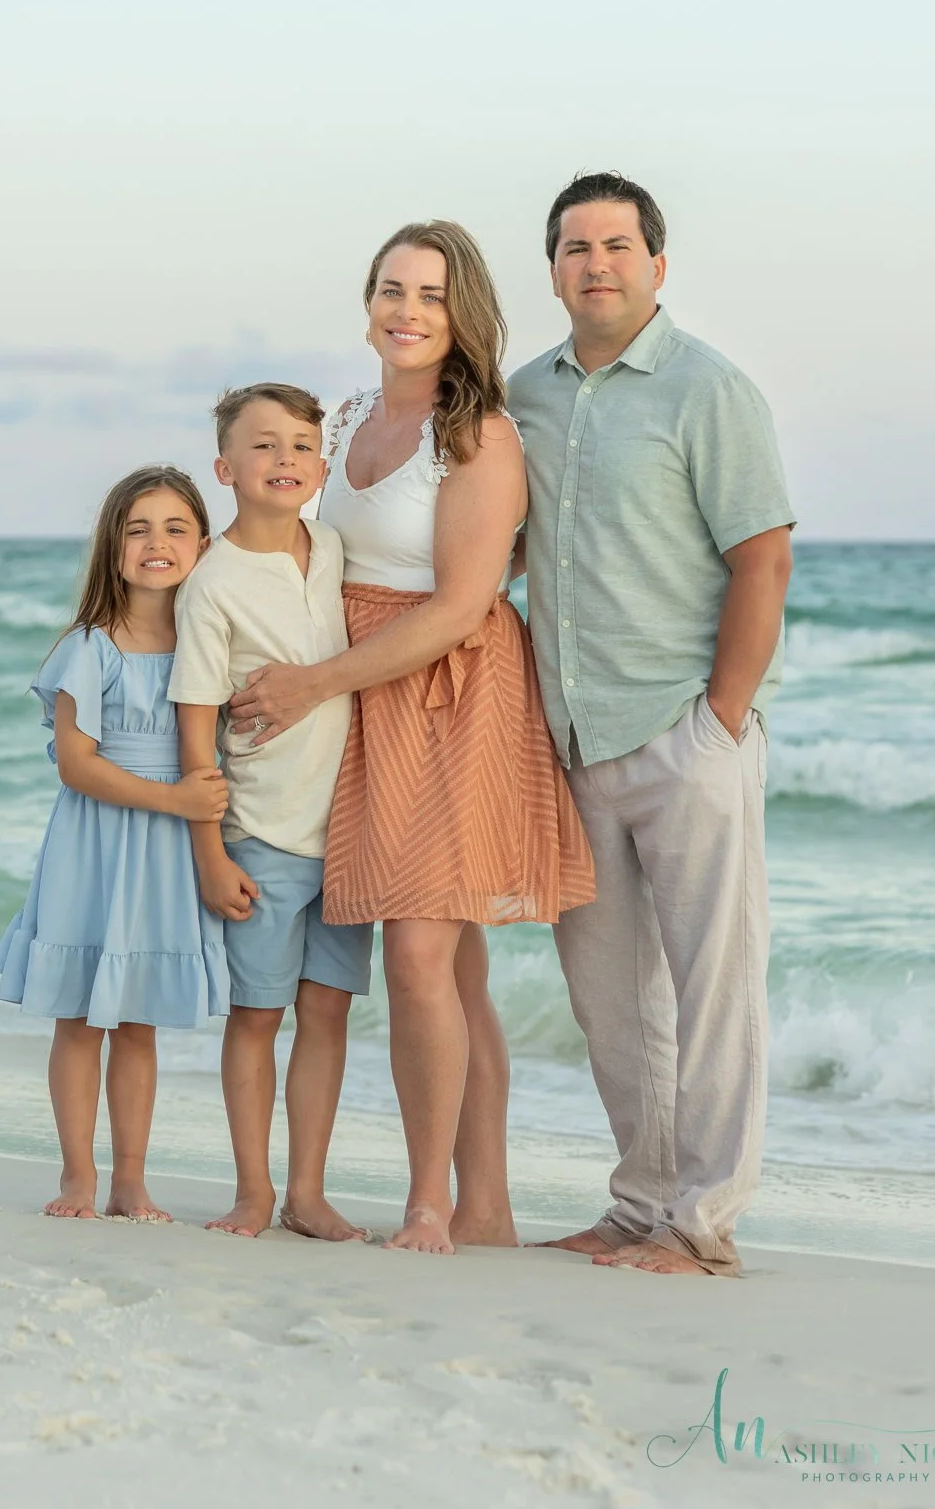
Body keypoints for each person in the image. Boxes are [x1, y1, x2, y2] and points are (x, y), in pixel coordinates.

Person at [227, 222, 594, 1255]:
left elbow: (459, 604)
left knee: (421, 950)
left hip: (446, 691)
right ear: (368, 301)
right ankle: (487, 1204)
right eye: (391, 288)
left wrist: (310, 681)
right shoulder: (337, 423)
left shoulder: (477, 434)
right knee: (454, 965)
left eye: (430, 294)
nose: (406, 309)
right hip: (351, 692)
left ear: (461, 312)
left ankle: (426, 1202)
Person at [508, 171, 794, 1277]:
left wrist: (718, 718)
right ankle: (639, 1201)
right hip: (572, 739)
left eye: (618, 244)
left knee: (713, 985)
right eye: (575, 246)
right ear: (552, 270)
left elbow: (760, 557)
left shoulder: (706, 389)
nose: (596, 263)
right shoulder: (523, 394)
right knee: (610, 999)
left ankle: (701, 1219)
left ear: (656, 263)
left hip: (681, 734)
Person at [0, 466, 231, 1222]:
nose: (156, 544)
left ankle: (131, 1180)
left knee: (136, 1020)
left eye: (174, 529)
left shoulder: (210, 640)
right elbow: (76, 763)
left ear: (202, 542)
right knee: (78, 1015)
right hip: (95, 843)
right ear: (113, 547)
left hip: (164, 853)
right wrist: (177, 800)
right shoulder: (91, 647)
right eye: (138, 529)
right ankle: (78, 1177)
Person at [169, 384, 373, 1242]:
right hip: (263, 834)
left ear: (322, 466)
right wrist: (211, 854)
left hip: (352, 830)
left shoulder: (331, 548)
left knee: (328, 1013)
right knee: (258, 1015)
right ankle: (253, 1191)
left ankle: (308, 1192)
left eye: (300, 445)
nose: (284, 459)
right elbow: (195, 736)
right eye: (263, 445)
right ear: (225, 468)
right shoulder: (212, 583)